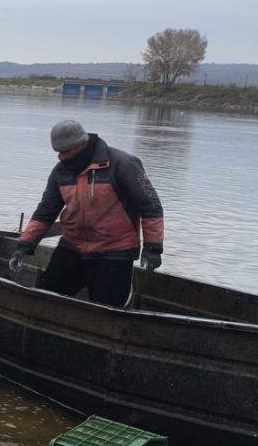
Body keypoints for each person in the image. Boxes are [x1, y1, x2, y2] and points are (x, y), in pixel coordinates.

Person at [9, 119, 165, 307]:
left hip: (114, 253)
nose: (61, 157)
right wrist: (25, 245)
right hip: (72, 248)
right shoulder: (60, 172)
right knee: (45, 300)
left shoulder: (123, 164)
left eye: (66, 151)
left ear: (82, 144)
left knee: (106, 312)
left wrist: (153, 248)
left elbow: (151, 206)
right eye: (58, 152)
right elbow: (45, 212)